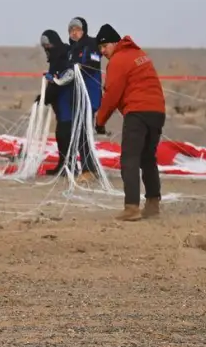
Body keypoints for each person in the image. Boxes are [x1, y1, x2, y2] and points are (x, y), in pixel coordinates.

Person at [93, 23, 166, 222]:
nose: (102, 52)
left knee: (130, 159)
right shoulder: (139, 54)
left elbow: (111, 95)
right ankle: (153, 204)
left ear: (115, 43)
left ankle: (131, 207)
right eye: (100, 48)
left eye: (104, 46)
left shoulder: (118, 60)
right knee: (147, 158)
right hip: (157, 111)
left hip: (138, 113)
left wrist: (99, 120)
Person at [63, 16, 104, 177]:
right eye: (71, 30)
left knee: (83, 133)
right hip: (76, 97)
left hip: (89, 95)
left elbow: (94, 61)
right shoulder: (71, 50)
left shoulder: (91, 44)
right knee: (79, 133)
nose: (74, 33)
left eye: (77, 29)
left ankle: (88, 170)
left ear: (84, 30)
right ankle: (90, 168)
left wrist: (81, 66)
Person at [37, 29, 76, 175]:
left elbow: (58, 81)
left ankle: (68, 166)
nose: (47, 49)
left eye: (48, 46)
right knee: (61, 133)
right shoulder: (59, 55)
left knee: (64, 133)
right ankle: (64, 164)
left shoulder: (62, 57)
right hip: (61, 103)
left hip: (66, 101)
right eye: (45, 47)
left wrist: (45, 98)